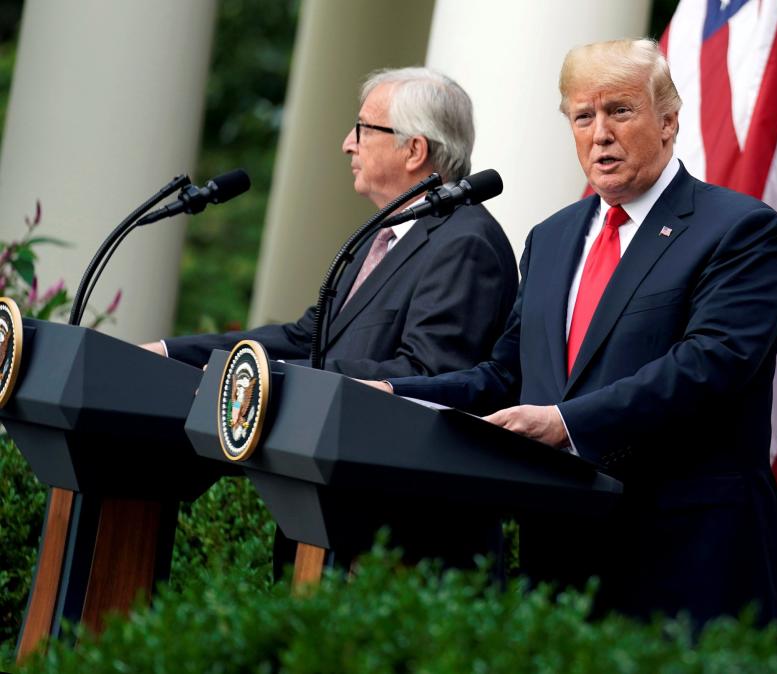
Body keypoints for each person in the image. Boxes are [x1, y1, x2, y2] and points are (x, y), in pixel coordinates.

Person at [366, 39, 777, 628]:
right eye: (582, 116)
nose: (600, 134)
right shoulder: (552, 237)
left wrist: (567, 423)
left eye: (619, 111)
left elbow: (709, 364)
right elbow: (506, 374)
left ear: (668, 122)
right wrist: (401, 398)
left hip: (688, 556)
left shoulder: (739, 229)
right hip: (560, 556)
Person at [143, 67, 519, 566]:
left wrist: (275, 382)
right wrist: (172, 355)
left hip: (401, 541)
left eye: (363, 128)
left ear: (415, 150)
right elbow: (306, 340)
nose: (348, 143)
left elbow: (425, 377)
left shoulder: (465, 241)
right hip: (329, 516)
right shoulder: (379, 235)